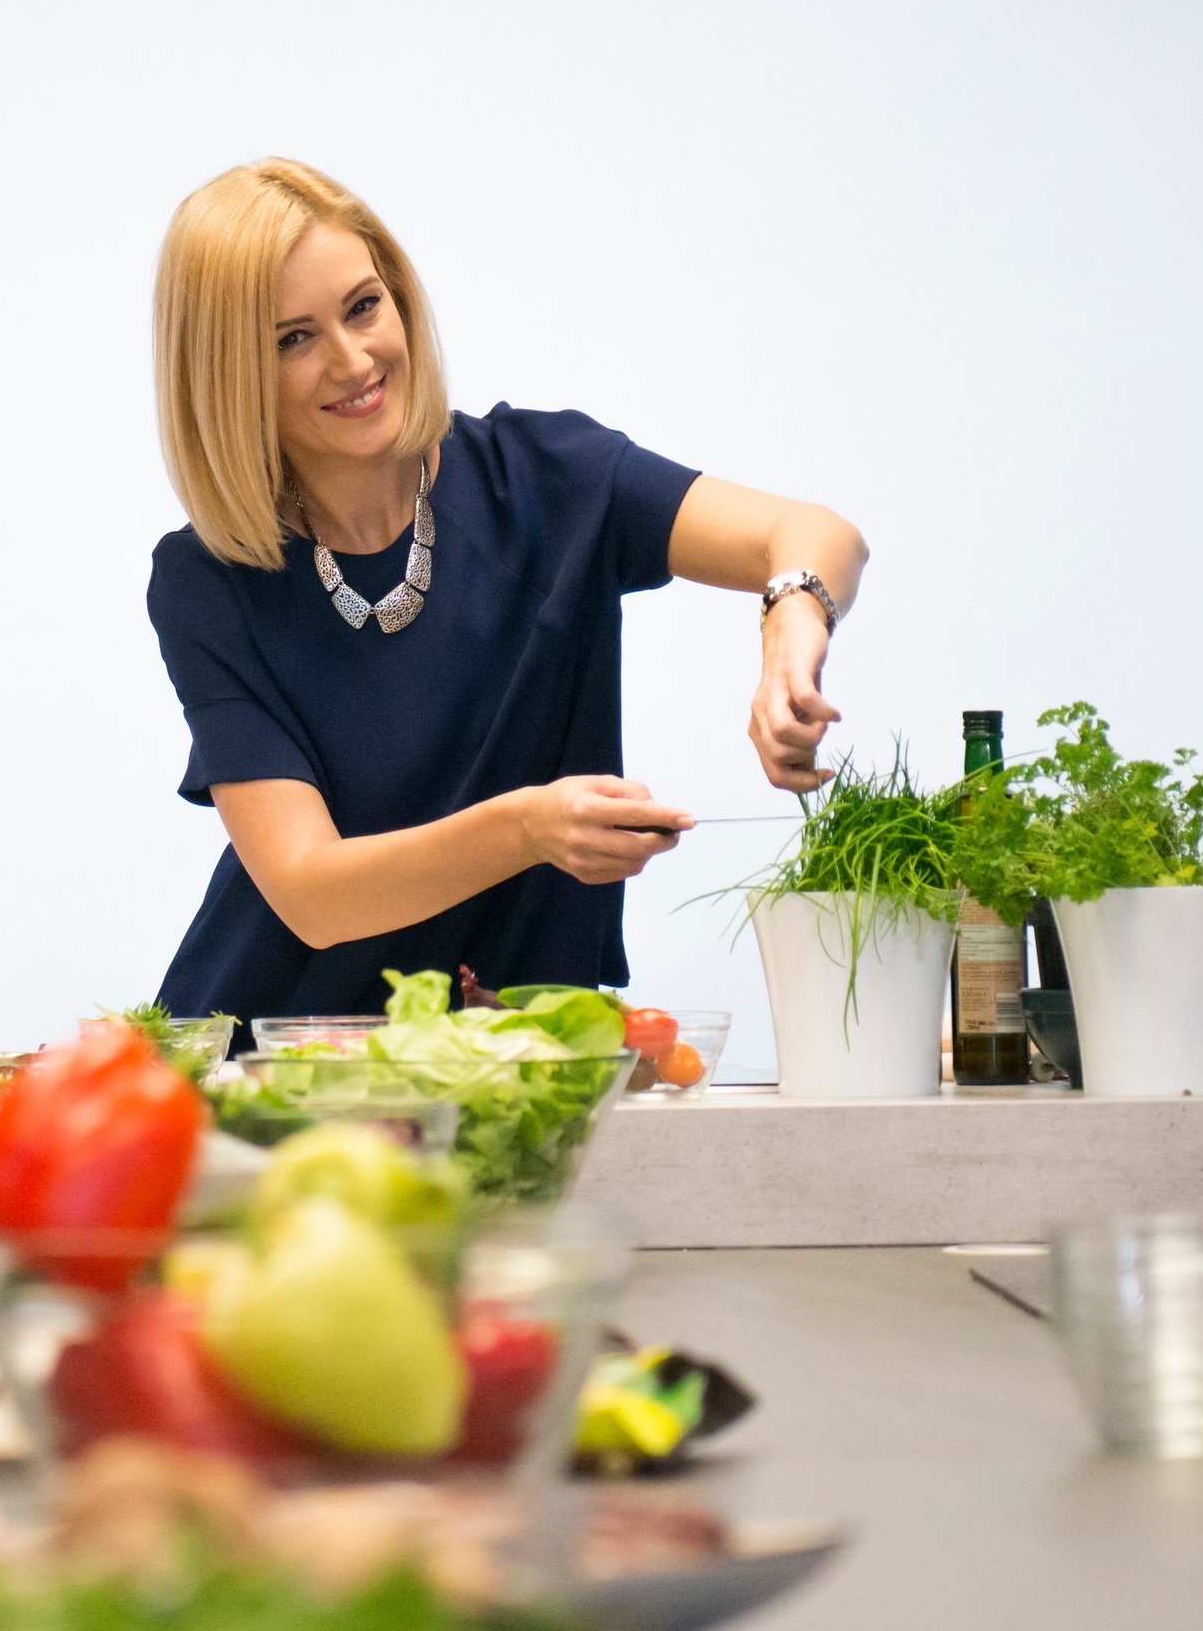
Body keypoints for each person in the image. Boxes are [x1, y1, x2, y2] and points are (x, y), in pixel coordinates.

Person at [145, 159, 867, 1022]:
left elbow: (817, 534)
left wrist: (789, 632)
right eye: (291, 339)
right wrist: (527, 829)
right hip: (275, 1065)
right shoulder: (207, 583)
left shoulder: (547, 477)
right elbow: (313, 893)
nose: (352, 359)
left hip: (508, 1057)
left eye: (363, 306)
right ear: (227, 375)